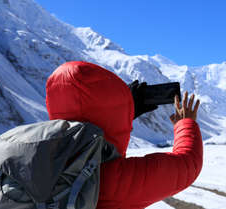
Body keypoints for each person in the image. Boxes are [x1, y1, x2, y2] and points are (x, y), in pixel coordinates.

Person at [45, 61, 203, 209]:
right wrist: (185, 123)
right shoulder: (112, 180)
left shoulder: (37, 162)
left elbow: (81, 114)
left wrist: (122, 110)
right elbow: (187, 164)